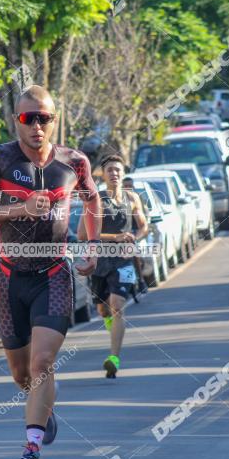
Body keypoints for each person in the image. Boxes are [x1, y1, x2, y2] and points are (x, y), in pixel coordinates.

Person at [0, 85, 101, 459]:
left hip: (54, 275)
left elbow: (92, 202)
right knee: (22, 375)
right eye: (29, 118)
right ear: (17, 121)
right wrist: (19, 208)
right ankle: (44, 409)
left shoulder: (74, 162)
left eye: (45, 118)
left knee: (43, 363)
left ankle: (31, 451)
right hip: (9, 278)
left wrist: (91, 246)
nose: (37, 126)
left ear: (54, 120)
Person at [78, 155, 148, 377]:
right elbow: (82, 234)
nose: (114, 174)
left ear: (123, 173)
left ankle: (114, 358)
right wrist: (114, 238)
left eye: (118, 170)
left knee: (118, 305)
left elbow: (144, 226)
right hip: (100, 262)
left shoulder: (132, 198)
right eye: (110, 170)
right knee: (103, 308)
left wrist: (135, 237)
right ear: (103, 174)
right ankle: (112, 328)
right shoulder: (94, 199)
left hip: (124, 261)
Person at [121, 177, 149, 299]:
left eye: (130, 186)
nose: (128, 188)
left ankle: (141, 279)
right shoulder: (116, 199)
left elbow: (144, 217)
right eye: (125, 186)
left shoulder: (137, 198)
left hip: (135, 231)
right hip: (122, 232)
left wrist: (138, 234)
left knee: (135, 251)